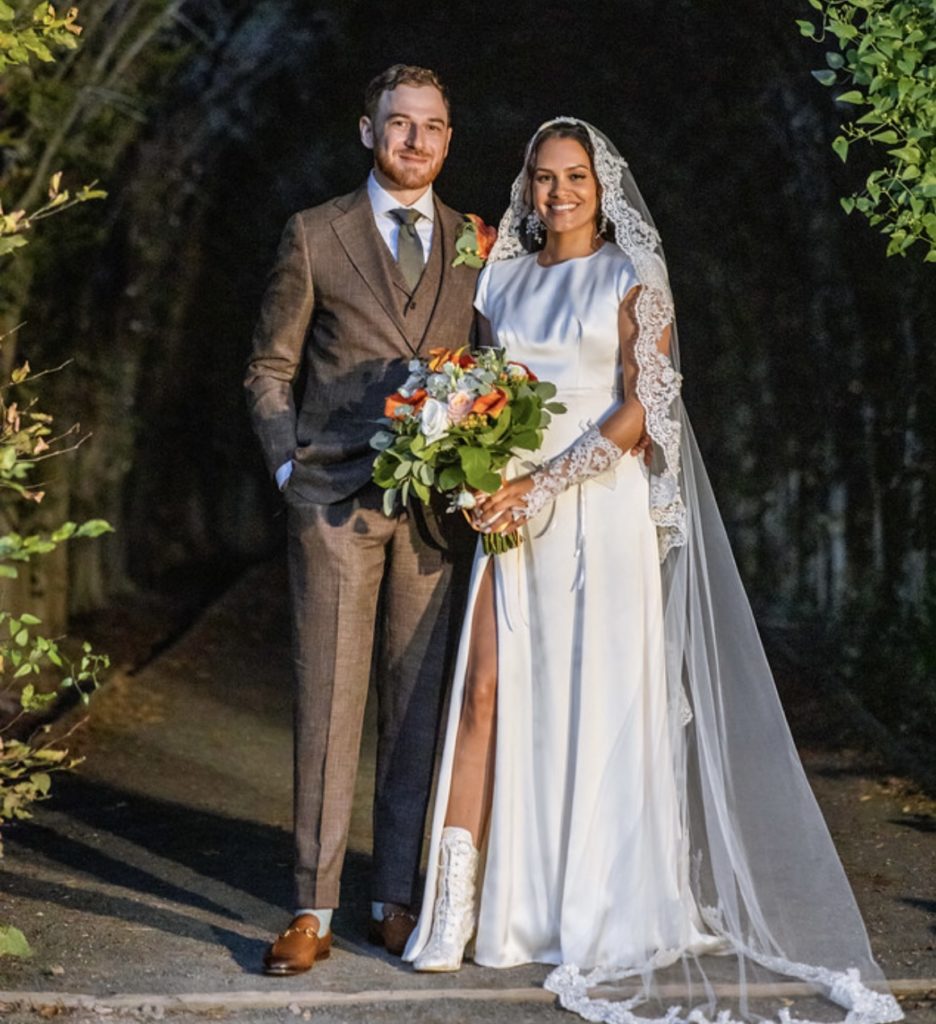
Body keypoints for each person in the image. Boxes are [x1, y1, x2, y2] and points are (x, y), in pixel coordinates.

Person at [403, 118, 903, 1024]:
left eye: (575, 179)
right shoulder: (500, 280)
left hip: (598, 510)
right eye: (544, 179)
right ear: (525, 187)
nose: (559, 195)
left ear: (603, 187)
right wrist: (472, 466)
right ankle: (460, 911)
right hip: (510, 512)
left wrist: (548, 483)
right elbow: (476, 384)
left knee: (602, 701)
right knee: (484, 693)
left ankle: (597, 905)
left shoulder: (632, 279)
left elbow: (647, 406)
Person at [244, 65, 478, 976]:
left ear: (450, 139)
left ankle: (398, 897)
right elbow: (269, 366)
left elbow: (492, 365)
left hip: (436, 518)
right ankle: (312, 904)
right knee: (329, 703)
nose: (415, 142)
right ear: (367, 129)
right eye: (399, 125)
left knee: (418, 709)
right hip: (334, 503)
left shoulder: (476, 243)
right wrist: (290, 463)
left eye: (432, 126)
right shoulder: (314, 234)